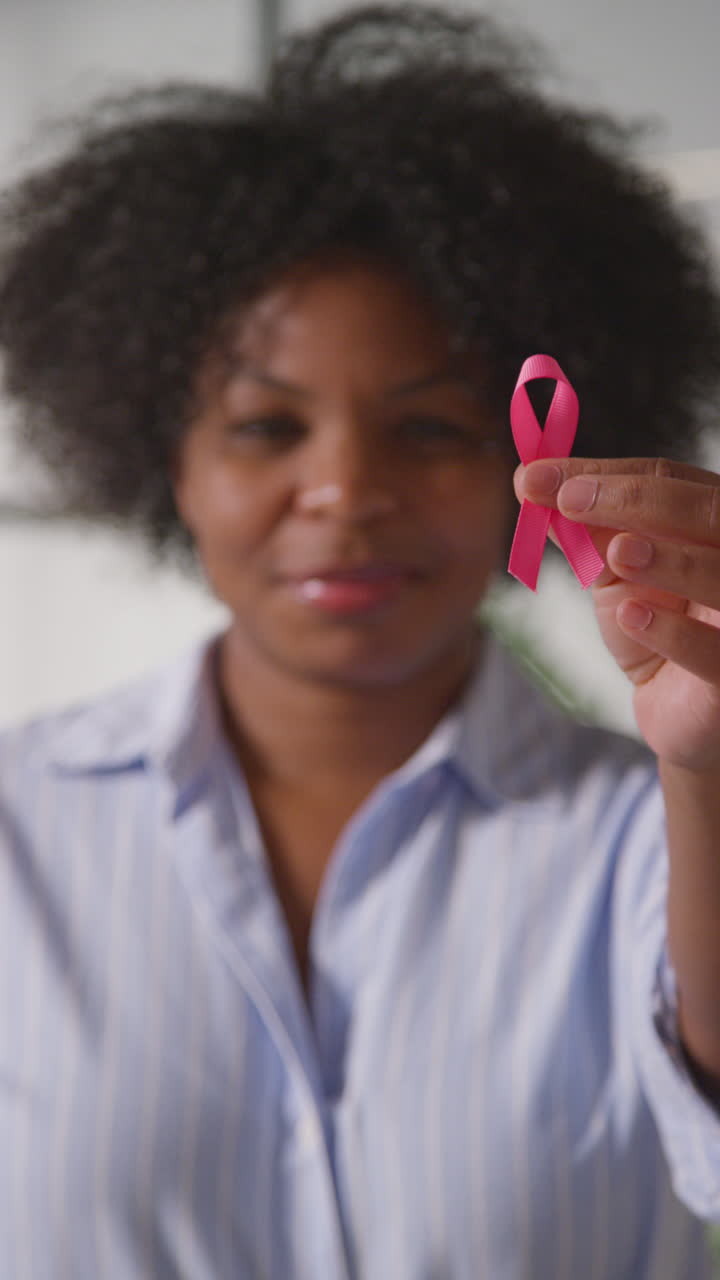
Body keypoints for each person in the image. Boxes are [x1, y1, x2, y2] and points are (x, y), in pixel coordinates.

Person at [1, 3, 720, 1276]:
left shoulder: (647, 829)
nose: (344, 491)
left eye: (430, 427)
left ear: (532, 464)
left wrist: (706, 772)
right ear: (167, 457)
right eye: (267, 428)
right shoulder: (19, 828)